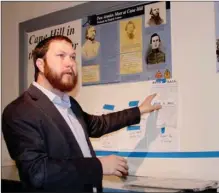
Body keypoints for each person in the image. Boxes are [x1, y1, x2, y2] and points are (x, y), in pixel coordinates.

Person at [1, 35, 162, 192]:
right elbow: (37, 173)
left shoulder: (70, 103)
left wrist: (140, 110)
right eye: (61, 56)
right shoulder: (19, 111)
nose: (70, 63)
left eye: (72, 57)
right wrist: (99, 166)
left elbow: (100, 124)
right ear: (40, 65)